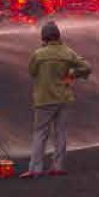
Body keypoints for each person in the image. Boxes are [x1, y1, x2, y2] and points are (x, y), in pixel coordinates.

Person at [26, 19, 91, 177]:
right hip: (64, 98)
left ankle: (36, 169)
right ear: (58, 35)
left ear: (44, 37)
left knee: (40, 133)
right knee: (60, 133)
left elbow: (32, 72)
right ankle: (58, 166)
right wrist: (72, 74)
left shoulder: (38, 54)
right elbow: (87, 67)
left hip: (44, 99)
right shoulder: (67, 52)